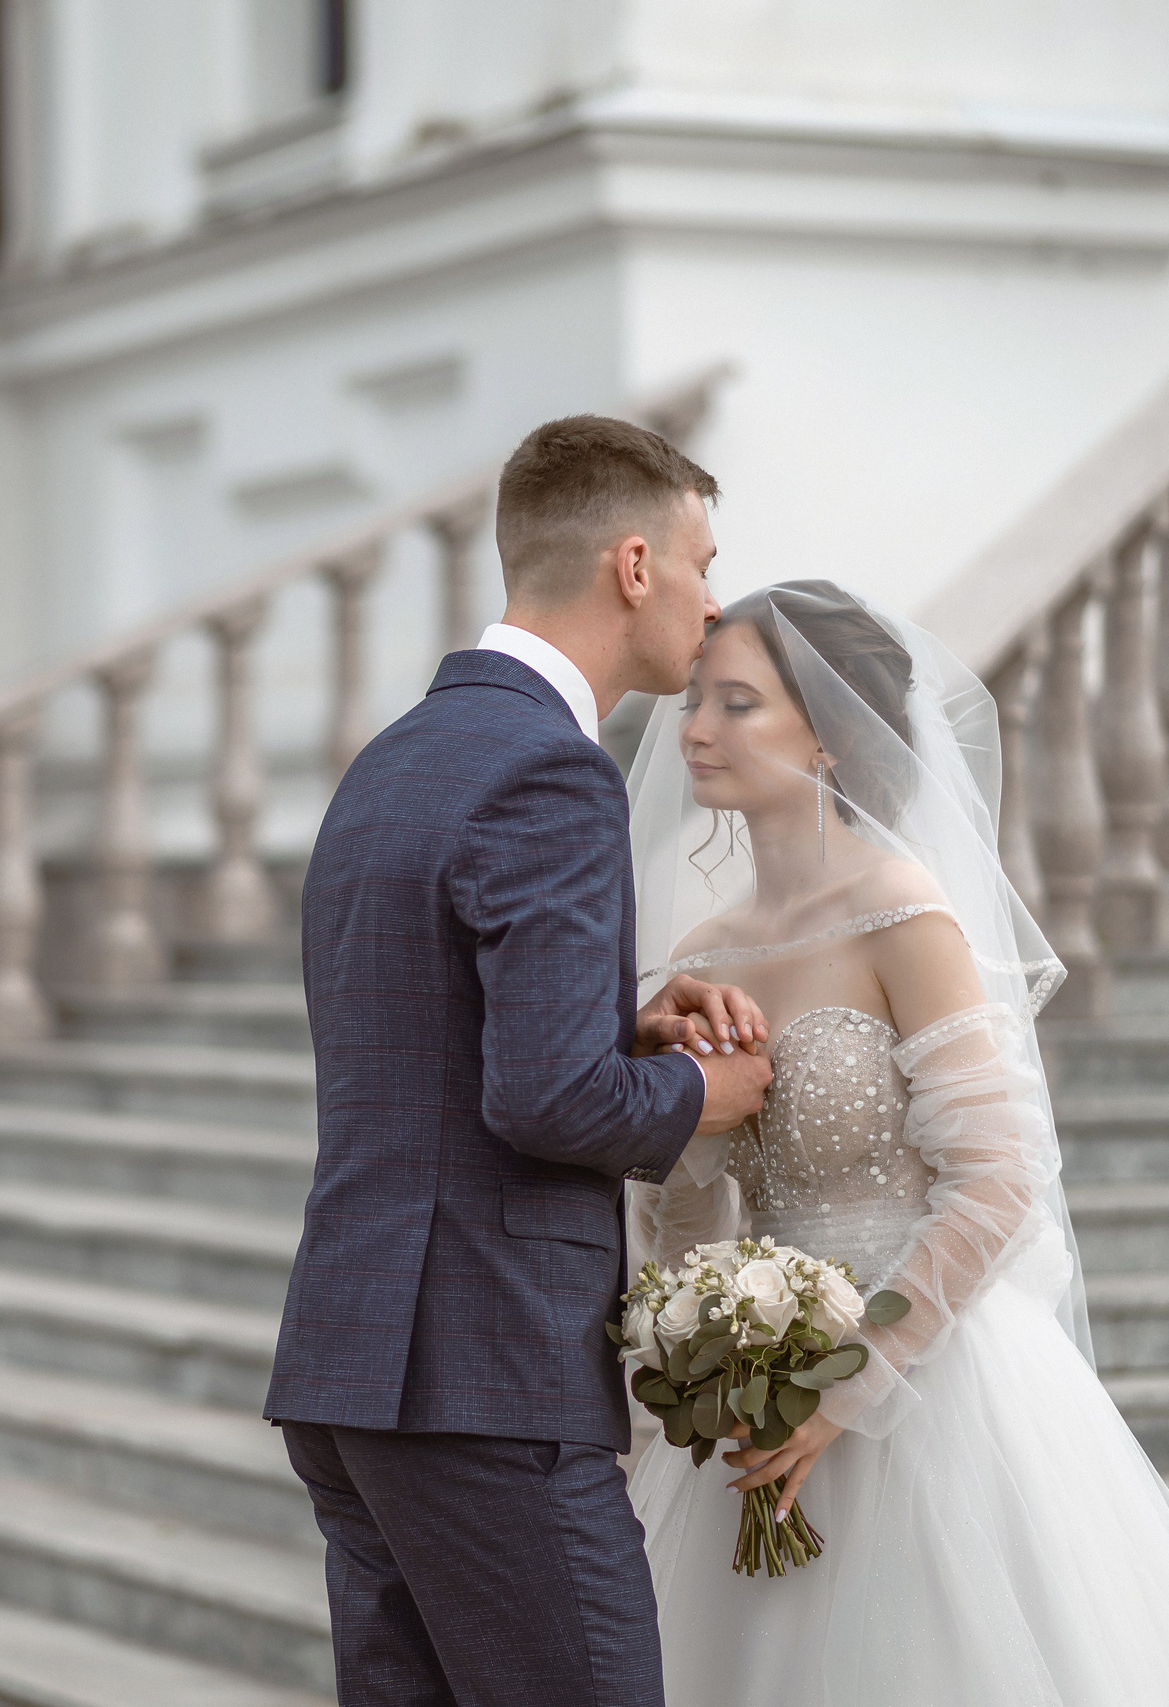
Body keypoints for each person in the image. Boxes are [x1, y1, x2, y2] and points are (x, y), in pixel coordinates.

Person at [623, 580, 1169, 1706]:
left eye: (737, 704)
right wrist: (692, 1162)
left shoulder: (900, 909)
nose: (692, 729)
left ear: (827, 742)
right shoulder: (703, 951)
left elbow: (996, 1178)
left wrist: (847, 1388)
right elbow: (691, 1217)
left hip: (927, 1390)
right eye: (695, 698)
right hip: (755, 1405)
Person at [266, 415, 774, 1707]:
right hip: (484, 1374)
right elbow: (545, 1098)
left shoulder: (392, 760)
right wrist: (703, 1092)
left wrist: (626, 1025)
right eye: (705, 564)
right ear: (635, 563)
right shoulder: (551, 769)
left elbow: (434, 1035)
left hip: (353, 1361)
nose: (715, 603)